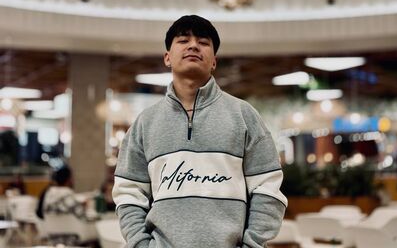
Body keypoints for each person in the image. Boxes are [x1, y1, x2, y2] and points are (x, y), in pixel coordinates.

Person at [113, 15, 287, 248]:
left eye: (203, 42)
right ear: (167, 57)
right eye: (183, 40)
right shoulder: (145, 122)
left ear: (214, 61)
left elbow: (268, 188)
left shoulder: (244, 115)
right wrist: (141, 244)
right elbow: (128, 193)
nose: (193, 45)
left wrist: (252, 244)